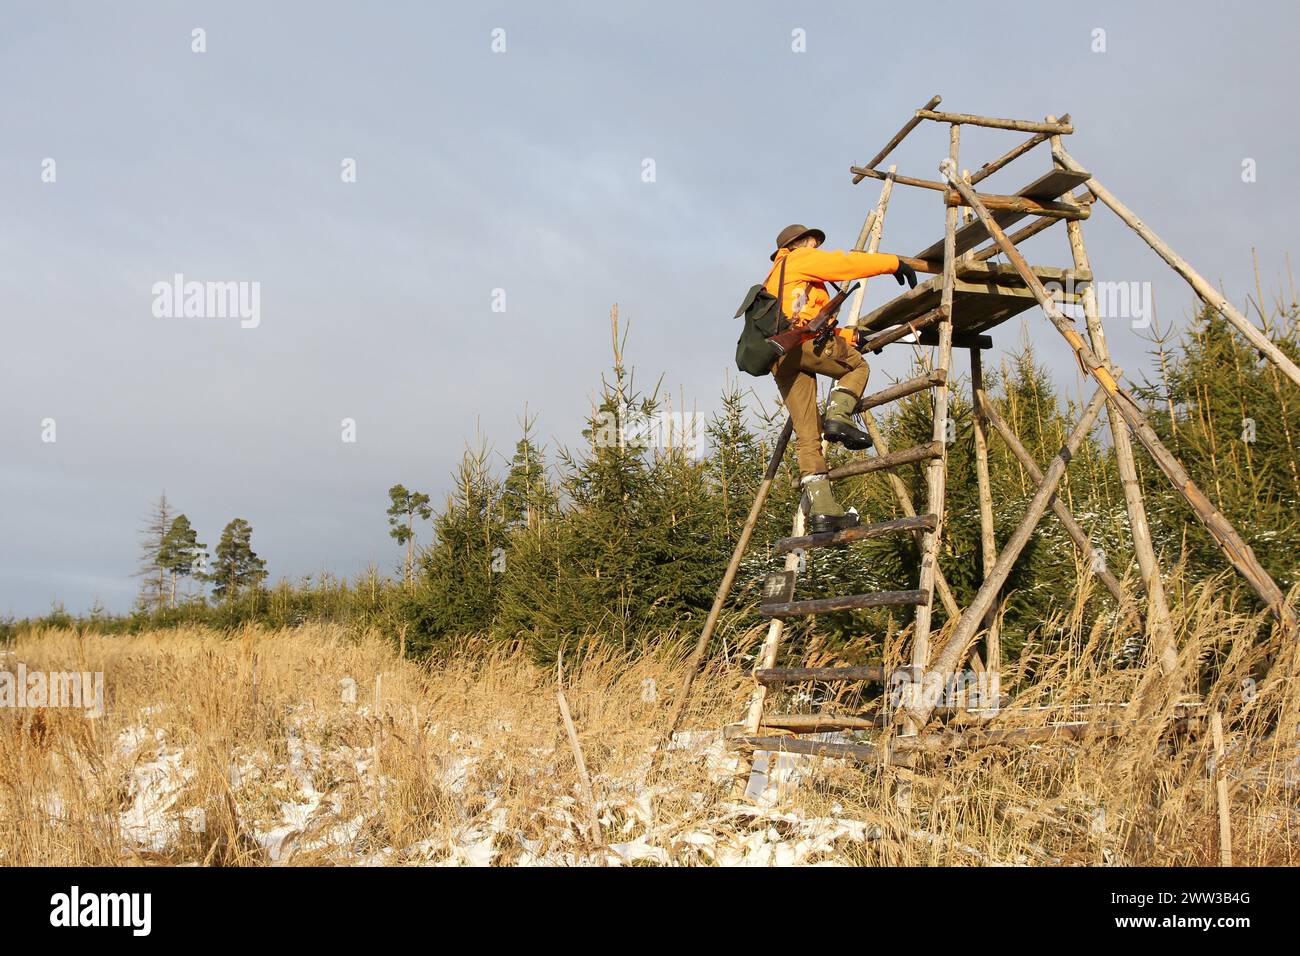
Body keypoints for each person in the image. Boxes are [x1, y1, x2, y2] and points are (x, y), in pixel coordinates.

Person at [765, 223, 918, 533]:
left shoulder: (773, 281)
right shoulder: (798, 259)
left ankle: (823, 511)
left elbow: (814, 321)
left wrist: (851, 337)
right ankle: (839, 417)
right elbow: (846, 263)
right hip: (803, 343)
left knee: (808, 435)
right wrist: (894, 263)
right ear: (802, 242)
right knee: (857, 367)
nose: (816, 247)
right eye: (813, 242)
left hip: (779, 357)